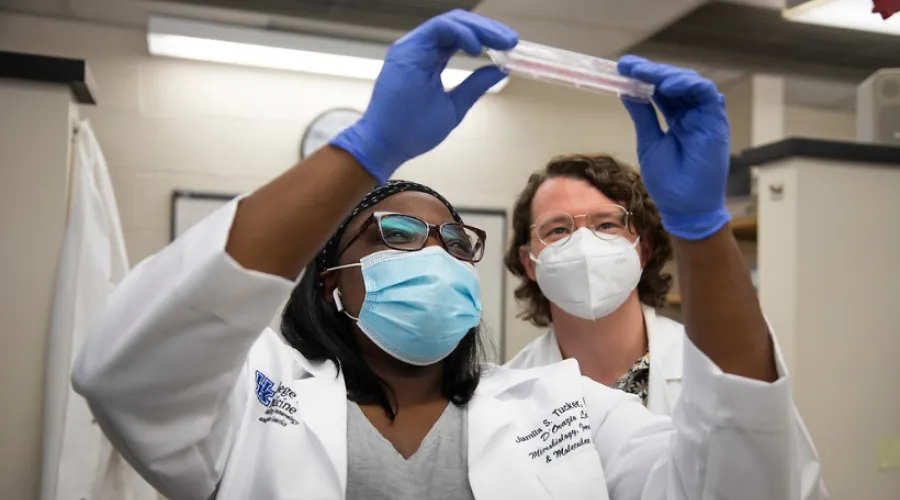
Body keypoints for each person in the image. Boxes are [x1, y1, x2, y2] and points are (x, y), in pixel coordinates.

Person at [73, 9, 804, 500]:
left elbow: (738, 479)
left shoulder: (567, 406)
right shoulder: (264, 400)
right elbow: (126, 374)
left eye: (455, 240)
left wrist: (701, 228)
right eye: (394, 235)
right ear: (332, 285)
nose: (434, 252)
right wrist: (369, 149)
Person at [503, 158, 826, 496]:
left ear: (642, 249)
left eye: (607, 225)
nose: (584, 243)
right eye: (558, 229)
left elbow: (787, 487)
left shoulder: (720, 373)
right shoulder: (504, 397)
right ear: (530, 262)